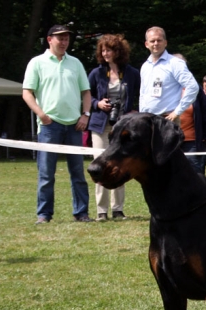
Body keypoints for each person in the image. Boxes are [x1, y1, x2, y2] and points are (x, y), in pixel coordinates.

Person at [22, 25, 92, 224]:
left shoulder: (75, 63)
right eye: (60, 38)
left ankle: (81, 213)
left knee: (78, 173)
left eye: (66, 38)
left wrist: (85, 115)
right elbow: (27, 92)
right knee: (46, 174)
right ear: (49, 39)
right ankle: (44, 214)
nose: (64, 42)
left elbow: (86, 92)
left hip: (74, 126)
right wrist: (41, 114)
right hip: (49, 126)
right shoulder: (37, 62)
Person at [87, 34, 141, 221]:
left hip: (122, 126)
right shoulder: (96, 73)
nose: (105, 53)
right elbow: (86, 96)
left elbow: (140, 94)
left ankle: (117, 209)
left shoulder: (132, 73)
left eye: (109, 50)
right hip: (100, 125)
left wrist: (135, 111)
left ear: (118, 51)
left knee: (119, 164)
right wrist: (98, 104)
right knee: (99, 166)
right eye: (103, 50)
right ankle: (101, 211)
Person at [139, 26, 198, 122]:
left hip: (167, 119)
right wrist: (141, 115)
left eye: (159, 40)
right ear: (146, 44)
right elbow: (143, 93)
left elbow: (193, 87)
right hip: (146, 120)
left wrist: (177, 112)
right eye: (152, 41)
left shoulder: (175, 63)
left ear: (165, 43)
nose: (156, 43)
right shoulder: (145, 66)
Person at [173, 55, 206, 175]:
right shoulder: (165, 89)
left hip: (191, 141)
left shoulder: (195, 88)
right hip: (170, 140)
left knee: (195, 174)